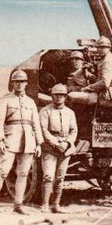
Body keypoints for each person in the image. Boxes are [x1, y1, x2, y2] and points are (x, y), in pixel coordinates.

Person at [0, 69, 42, 215]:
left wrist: (38, 143)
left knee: (23, 173)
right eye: (16, 81)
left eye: (22, 81)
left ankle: (18, 204)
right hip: (11, 139)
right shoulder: (5, 100)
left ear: (26, 83)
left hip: (28, 141)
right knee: (3, 171)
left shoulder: (30, 102)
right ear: (12, 83)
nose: (19, 84)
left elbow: (36, 123)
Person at [38, 85, 77, 214]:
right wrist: (55, 143)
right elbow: (43, 130)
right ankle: (44, 205)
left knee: (60, 178)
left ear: (65, 97)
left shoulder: (70, 112)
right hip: (50, 147)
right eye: (56, 95)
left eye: (62, 95)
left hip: (65, 148)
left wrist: (67, 143)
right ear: (52, 96)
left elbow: (74, 130)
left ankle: (56, 205)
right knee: (48, 176)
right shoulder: (45, 111)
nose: (59, 97)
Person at [83, 36, 112, 102]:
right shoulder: (105, 59)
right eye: (98, 47)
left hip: (108, 94)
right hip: (109, 91)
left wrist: (88, 88)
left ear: (109, 48)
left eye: (103, 47)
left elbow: (105, 83)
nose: (99, 50)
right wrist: (88, 75)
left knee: (72, 96)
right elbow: (101, 79)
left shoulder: (108, 61)